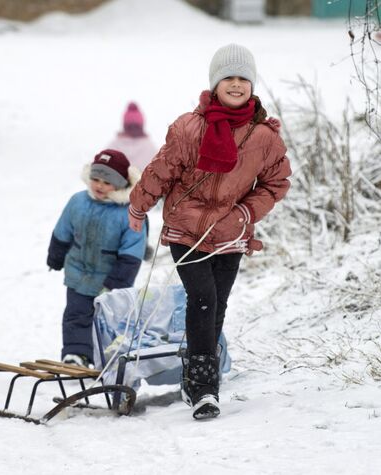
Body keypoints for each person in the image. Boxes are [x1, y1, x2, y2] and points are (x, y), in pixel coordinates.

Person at [128, 44, 291, 419]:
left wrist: (247, 214)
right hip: (187, 230)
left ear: (252, 85)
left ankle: (195, 375)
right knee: (202, 297)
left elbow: (276, 183)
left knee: (217, 301)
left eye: (243, 79)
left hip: (231, 232)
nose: (236, 85)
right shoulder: (189, 128)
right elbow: (160, 170)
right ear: (215, 84)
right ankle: (205, 387)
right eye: (228, 78)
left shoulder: (263, 137)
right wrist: (139, 205)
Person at [47, 149, 147, 368]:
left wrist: (117, 283)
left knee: (107, 320)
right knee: (76, 314)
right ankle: (76, 355)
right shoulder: (78, 202)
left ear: (121, 184)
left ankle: (106, 357)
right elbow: (63, 231)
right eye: (95, 179)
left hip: (109, 279)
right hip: (78, 273)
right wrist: (55, 256)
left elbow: (132, 251)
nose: (99, 185)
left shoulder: (130, 212)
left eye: (107, 181)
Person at [107, 102, 159, 261]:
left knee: (138, 217)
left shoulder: (147, 145)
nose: (133, 129)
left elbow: (157, 166)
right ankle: (112, 245)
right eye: (130, 125)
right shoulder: (117, 143)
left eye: (136, 125)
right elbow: (106, 160)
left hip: (139, 190)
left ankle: (141, 245)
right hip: (116, 189)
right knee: (116, 219)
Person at [106, 102, 158, 172]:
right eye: (131, 126)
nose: (133, 129)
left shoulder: (113, 146)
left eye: (135, 126)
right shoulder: (150, 147)